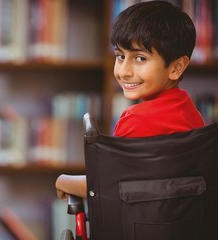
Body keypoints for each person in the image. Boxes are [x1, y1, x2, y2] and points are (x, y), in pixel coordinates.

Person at [55, 1, 205, 200]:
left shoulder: (136, 119)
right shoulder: (189, 111)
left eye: (140, 58)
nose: (124, 71)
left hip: (140, 227)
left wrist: (63, 181)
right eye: (120, 56)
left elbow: (106, 188)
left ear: (177, 67)